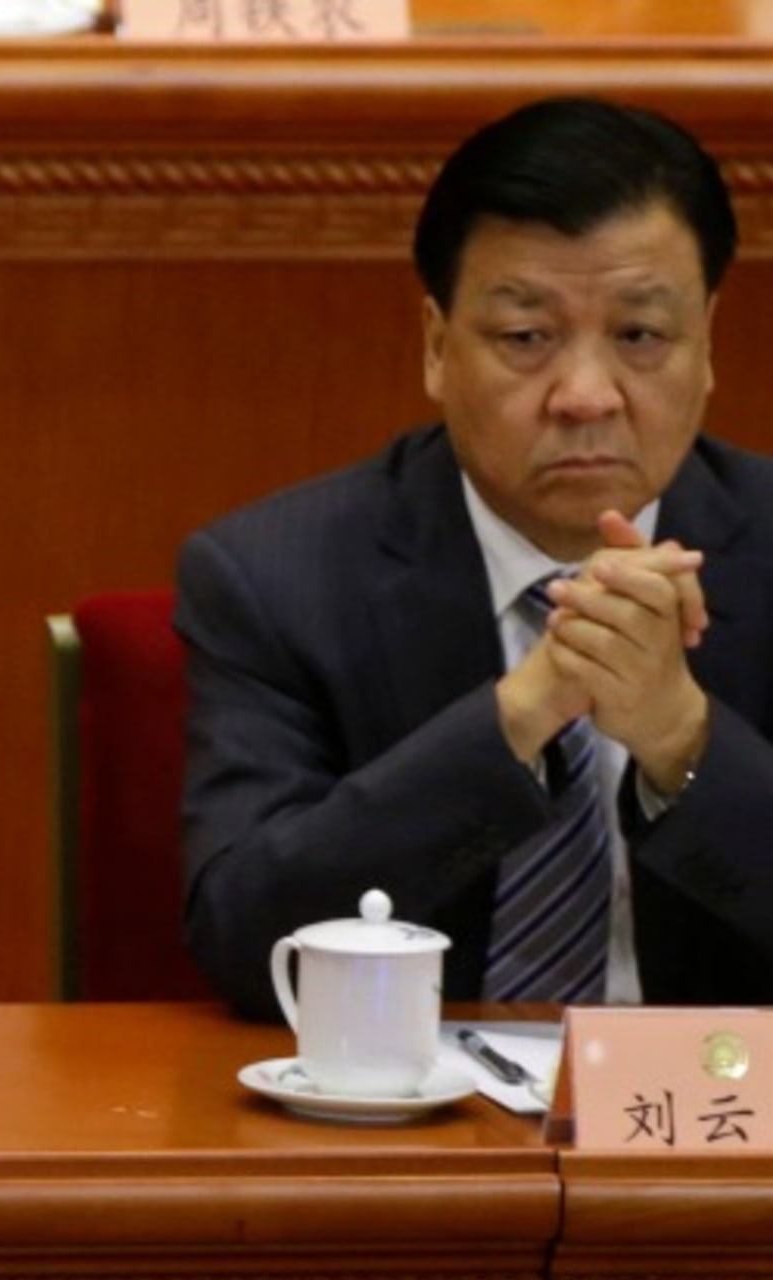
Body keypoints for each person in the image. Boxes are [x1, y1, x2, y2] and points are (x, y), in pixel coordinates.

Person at [176, 95, 773, 1020]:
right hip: (411, 1127)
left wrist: (681, 741)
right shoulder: (273, 578)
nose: (585, 395)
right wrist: (523, 713)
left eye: (641, 336)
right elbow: (255, 944)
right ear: (435, 346)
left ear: (706, 347)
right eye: (526, 338)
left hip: (721, 1132)